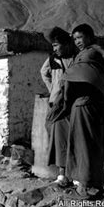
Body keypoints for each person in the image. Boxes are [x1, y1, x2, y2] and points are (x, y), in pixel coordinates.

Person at [60, 23, 104, 198]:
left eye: (80, 38)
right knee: (93, 145)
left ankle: (86, 188)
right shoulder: (95, 54)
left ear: (89, 37)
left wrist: (66, 105)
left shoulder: (88, 55)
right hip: (93, 105)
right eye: (74, 39)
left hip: (83, 106)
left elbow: (70, 80)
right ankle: (95, 187)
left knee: (84, 147)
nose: (77, 42)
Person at [40, 27, 76, 186]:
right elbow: (43, 72)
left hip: (73, 104)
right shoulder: (53, 59)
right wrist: (52, 89)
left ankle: (75, 174)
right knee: (58, 138)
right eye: (53, 46)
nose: (54, 49)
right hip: (57, 104)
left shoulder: (77, 58)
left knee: (74, 138)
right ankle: (62, 173)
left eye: (56, 45)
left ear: (67, 43)